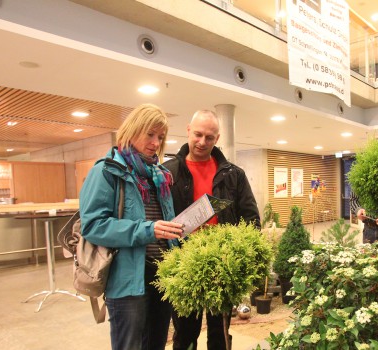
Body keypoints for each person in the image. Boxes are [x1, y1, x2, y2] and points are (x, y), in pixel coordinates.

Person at [79, 103, 185, 350]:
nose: (156, 142)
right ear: (132, 129)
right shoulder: (106, 170)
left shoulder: (159, 174)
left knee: (156, 344)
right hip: (127, 280)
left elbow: (163, 223)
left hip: (162, 276)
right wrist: (148, 230)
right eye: (150, 134)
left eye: (160, 137)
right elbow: (93, 225)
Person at [162, 109, 261, 350]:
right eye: (197, 134)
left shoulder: (234, 175)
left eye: (209, 137)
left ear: (217, 138)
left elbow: (251, 219)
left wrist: (240, 256)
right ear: (187, 130)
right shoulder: (167, 173)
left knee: (220, 333)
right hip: (183, 268)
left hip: (222, 267)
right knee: (185, 335)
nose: (202, 142)